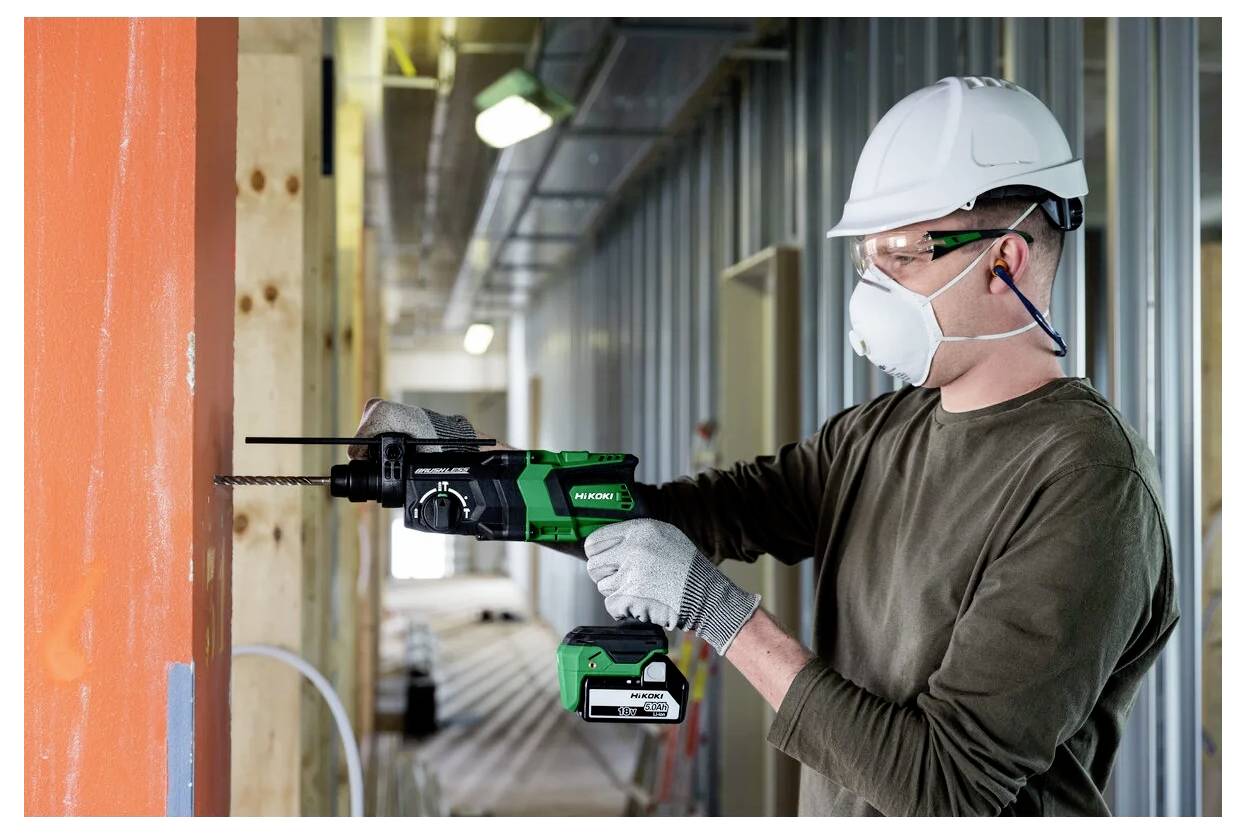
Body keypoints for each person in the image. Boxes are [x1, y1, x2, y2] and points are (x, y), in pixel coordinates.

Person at [356, 77, 1177, 816]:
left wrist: (722, 617)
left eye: (902, 255)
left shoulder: (1088, 484)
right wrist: (476, 475)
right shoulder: (881, 432)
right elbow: (686, 517)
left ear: (1006, 261)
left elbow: (949, 785)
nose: (873, 287)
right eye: (867, 256)